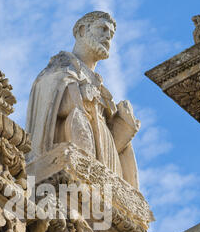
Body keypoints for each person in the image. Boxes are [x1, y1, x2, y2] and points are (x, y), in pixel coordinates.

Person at [26, 11, 141, 189]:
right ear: (81, 31)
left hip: (106, 169)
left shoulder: (101, 87)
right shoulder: (60, 68)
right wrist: (77, 94)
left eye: (110, 35)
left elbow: (104, 137)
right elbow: (53, 106)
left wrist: (123, 125)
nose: (107, 38)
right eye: (102, 29)